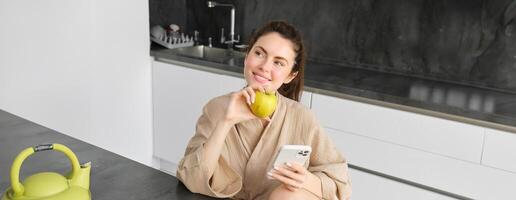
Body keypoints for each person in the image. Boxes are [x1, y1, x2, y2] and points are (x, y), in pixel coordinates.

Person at [177, 21, 352, 200]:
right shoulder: (216, 108)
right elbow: (192, 179)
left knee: (287, 195)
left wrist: (305, 180)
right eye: (259, 53)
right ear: (247, 56)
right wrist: (226, 121)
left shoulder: (301, 117)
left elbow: (339, 180)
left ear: (290, 76)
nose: (265, 66)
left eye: (279, 62)